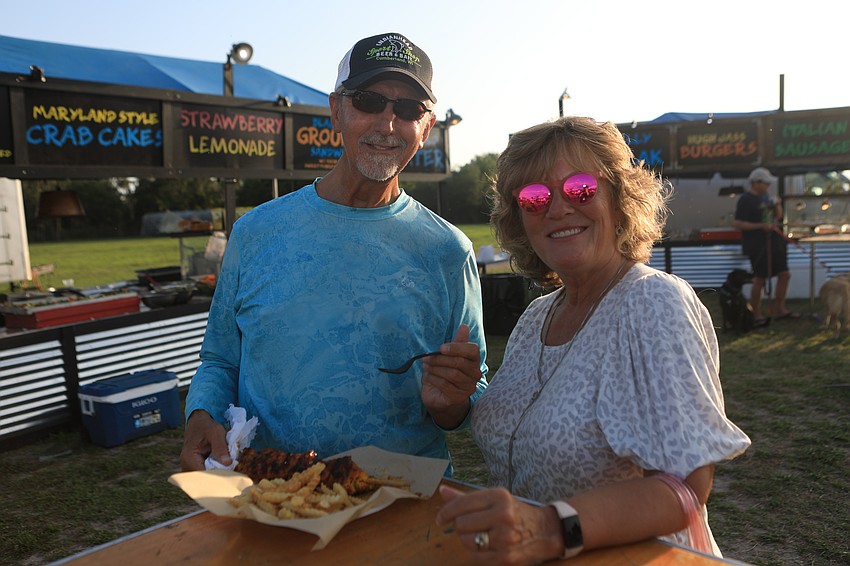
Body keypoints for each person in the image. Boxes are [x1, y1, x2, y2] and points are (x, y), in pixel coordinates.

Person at [434, 117, 751, 563]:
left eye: (580, 188)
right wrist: (452, 402)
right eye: (534, 197)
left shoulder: (652, 301)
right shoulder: (537, 317)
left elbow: (685, 488)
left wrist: (548, 528)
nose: (558, 209)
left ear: (619, 200)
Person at [180, 32, 487, 474]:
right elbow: (220, 359)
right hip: (274, 493)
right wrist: (201, 413)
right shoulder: (256, 233)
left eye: (408, 109)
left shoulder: (447, 250)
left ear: (426, 128)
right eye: (368, 101)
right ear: (336, 111)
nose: (387, 124)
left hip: (405, 496)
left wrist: (453, 404)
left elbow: (471, 388)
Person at [733, 167, 798, 321]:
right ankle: (755, 313)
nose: (768, 186)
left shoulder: (766, 197)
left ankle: (780, 309)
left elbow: (778, 216)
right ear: (756, 182)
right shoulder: (746, 199)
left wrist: (777, 205)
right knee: (760, 278)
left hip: (773, 242)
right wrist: (761, 226)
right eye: (766, 183)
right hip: (757, 245)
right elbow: (738, 223)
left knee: (784, 274)